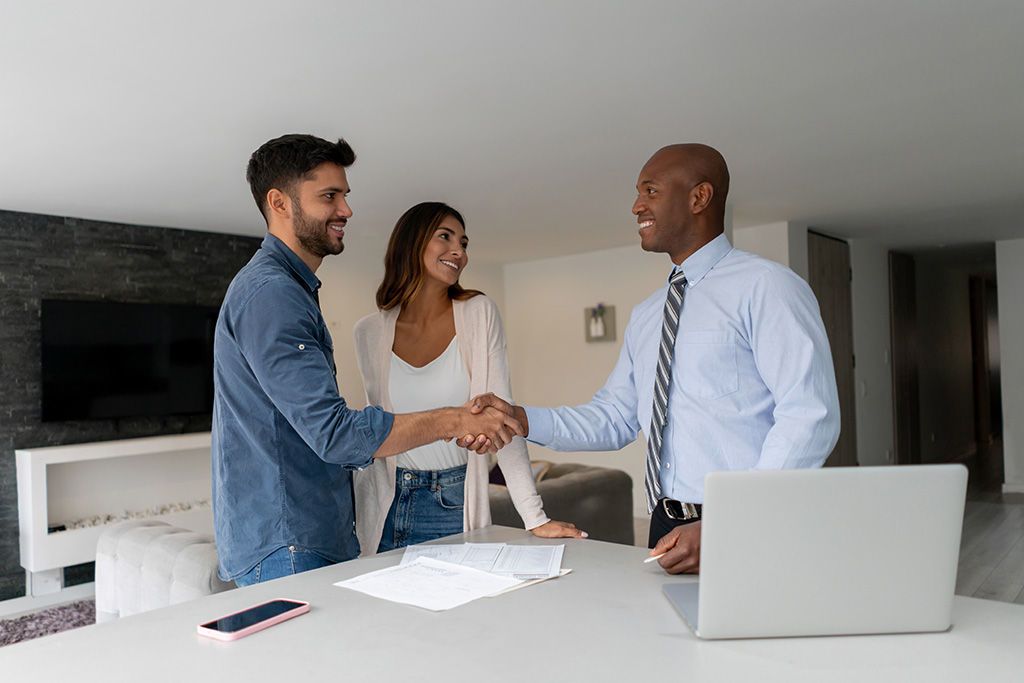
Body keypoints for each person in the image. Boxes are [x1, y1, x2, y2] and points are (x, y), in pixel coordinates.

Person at [473, 143, 840, 575]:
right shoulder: (649, 315)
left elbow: (809, 415)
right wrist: (519, 418)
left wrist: (729, 520)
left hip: (746, 521)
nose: (636, 205)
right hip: (666, 524)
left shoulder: (767, 287)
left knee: (754, 642)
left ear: (698, 197)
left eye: (650, 190)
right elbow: (615, 417)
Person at [212, 134, 522, 587]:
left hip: (304, 533)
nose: (346, 210)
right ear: (278, 202)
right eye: (328, 196)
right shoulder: (273, 295)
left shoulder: (287, 290)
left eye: (345, 195)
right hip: (290, 541)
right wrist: (456, 419)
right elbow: (335, 434)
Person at [352, 202, 586, 553]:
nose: (458, 251)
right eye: (445, 237)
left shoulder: (479, 313)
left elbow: (501, 420)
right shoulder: (368, 332)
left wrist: (534, 516)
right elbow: (377, 430)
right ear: (411, 243)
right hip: (383, 506)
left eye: (463, 242)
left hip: (453, 503)